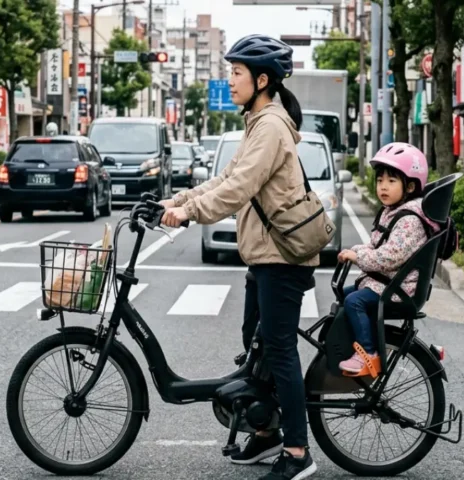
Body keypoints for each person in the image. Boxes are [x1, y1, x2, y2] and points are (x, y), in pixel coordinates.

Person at [160, 34, 318, 480]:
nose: (229, 81)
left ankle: (297, 451)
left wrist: (188, 214)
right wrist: (179, 199)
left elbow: (238, 188)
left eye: (236, 73)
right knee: (257, 342)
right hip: (265, 257)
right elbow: (225, 176)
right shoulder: (258, 122)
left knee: (281, 350)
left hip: (283, 258)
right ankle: (267, 434)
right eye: (229, 72)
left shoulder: (269, 127)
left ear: (262, 79)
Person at [336, 143, 438, 376]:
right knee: (346, 294)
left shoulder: (409, 220)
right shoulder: (392, 211)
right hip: (389, 282)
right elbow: (376, 245)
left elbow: (388, 257)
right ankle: (355, 344)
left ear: (410, 186)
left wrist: (358, 256)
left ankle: (368, 354)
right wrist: (355, 250)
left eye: (391, 181)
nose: (383, 186)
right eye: (380, 180)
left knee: (355, 302)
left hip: (400, 287)